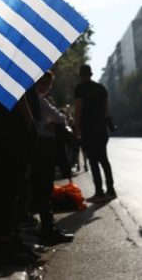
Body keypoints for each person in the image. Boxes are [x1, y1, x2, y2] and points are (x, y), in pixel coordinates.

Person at [28, 71, 75, 245]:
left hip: (36, 148)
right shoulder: (38, 100)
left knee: (42, 190)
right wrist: (48, 125)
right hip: (42, 149)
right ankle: (48, 230)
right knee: (44, 189)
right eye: (45, 83)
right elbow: (61, 118)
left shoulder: (33, 99)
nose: (47, 87)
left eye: (49, 84)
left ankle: (48, 228)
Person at [73, 64, 115, 202]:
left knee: (93, 161)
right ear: (91, 74)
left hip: (89, 129)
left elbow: (78, 110)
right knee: (104, 159)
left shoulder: (80, 89)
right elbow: (106, 109)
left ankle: (99, 192)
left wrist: (77, 128)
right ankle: (111, 190)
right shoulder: (101, 88)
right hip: (101, 128)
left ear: (80, 75)